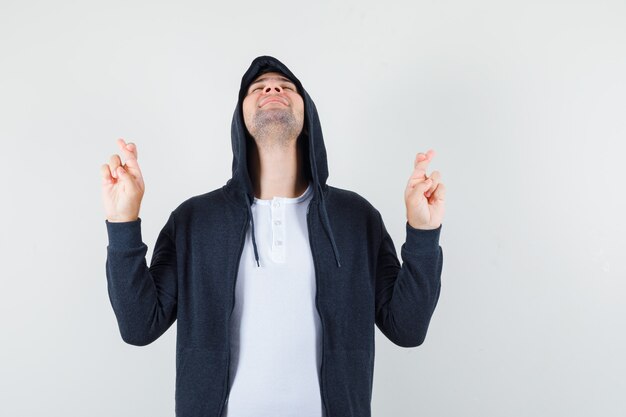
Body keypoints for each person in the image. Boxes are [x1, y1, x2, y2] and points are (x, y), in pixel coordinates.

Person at [101, 55, 446, 417]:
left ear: (307, 115)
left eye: (286, 86)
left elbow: (407, 328)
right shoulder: (194, 220)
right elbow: (139, 325)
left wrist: (423, 232)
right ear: (241, 120)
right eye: (258, 87)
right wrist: (122, 220)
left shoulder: (355, 218)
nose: (272, 88)